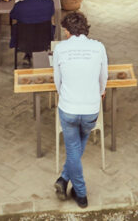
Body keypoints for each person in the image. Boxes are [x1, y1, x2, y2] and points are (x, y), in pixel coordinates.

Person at [52, 12, 107, 209]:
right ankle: (65, 180)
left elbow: (57, 81)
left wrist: (65, 94)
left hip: (68, 108)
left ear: (67, 31)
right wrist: (99, 93)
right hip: (91, 109)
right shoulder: (98, 47)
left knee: (74, 150)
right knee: (77, 147)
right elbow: (103, 78)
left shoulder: (60, 49)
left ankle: (81, 193)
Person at [9, 0, 55, 66]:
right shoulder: (49, 4)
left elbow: (12, 15)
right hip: (44, 40)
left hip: (23, 41)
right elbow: (51, 13)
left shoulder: (19, 6)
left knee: (21, 27)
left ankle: (28, 54)